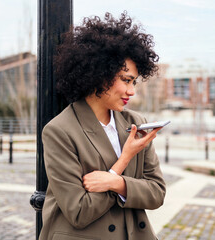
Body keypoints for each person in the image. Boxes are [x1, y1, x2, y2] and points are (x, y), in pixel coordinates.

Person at [39, 12, 166, 240]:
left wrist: (115, 182)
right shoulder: (60, 131)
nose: (132, 91)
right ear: (99, 74)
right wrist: (123, 161)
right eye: (126, 80)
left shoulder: (137, 123)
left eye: (134, 81)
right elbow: (78, 211)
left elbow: (157, 193)